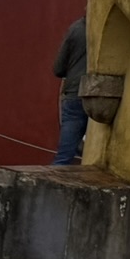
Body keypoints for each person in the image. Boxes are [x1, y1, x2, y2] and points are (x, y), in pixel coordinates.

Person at [52, 17, 87, 165]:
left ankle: (51, 184)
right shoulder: (111, 24)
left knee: (64, 156)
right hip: (104, 96)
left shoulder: (76, 29)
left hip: (74, 94)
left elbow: (58, 69)